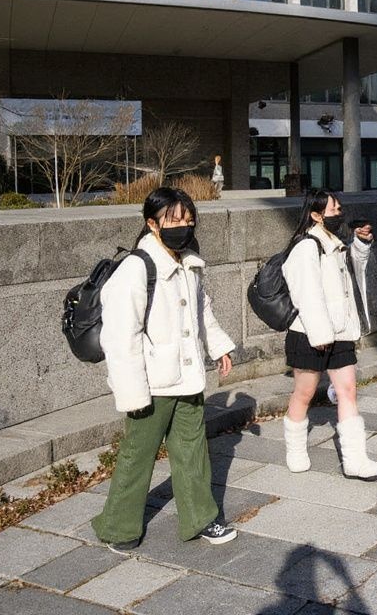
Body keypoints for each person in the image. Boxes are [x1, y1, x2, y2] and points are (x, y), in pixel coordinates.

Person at [92, 187, 238, 554]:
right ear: (152, 223)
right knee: (137, 455)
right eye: (173, 220)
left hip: (187, 377)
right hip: (153, 384)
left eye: (188, 219)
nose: (183, 226)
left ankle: (201, 518)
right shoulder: (136, 267)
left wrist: (218, 346)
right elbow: (120, 336)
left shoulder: (189, 261)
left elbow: (202, 309)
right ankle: (118, 526)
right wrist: (132, 393)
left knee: (192, 452)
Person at [279, 189, 377, 480]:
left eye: (339, 209)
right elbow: (306, 294)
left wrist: (361, 242)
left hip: (341, 332)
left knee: (348, 391)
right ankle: (295, 448)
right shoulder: (306, 247)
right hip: (309, 334)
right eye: (333, 210)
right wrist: (321, 334)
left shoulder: (336, 244)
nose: (339, 214)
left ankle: (355, 460)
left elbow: (354, 273)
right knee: (304, 393)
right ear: (316, 215)